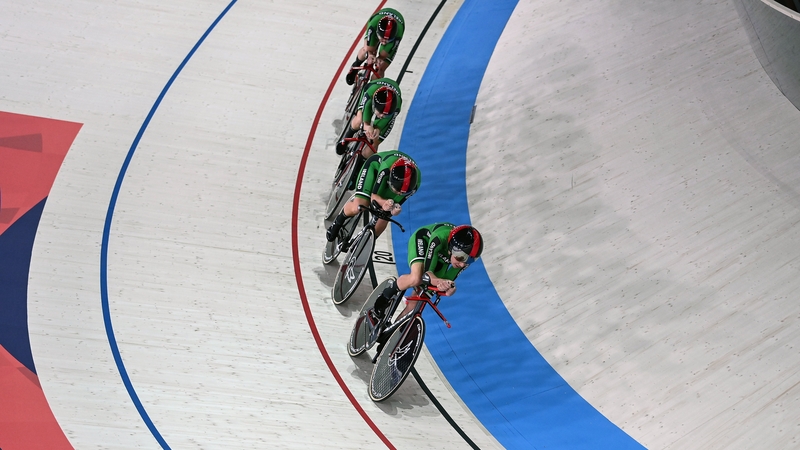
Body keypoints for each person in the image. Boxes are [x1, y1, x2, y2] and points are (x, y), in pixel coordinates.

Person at [367, 223, 484, 326]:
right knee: (417, 278)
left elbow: (448, 280)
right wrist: (438, 282)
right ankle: (383, 298)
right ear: (453, 248)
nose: (463, 264)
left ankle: (392, 335)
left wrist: (449, 288)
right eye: (461, 258)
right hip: (424, 241)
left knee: (418, 302)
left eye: (469, 260)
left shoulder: (462, 261)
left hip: (441, 258)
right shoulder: (440, 237)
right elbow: (427, 274)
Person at [326, 150, 421, 244]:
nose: (398, 193)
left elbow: (396, 205)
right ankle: (337, 222)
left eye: (401, 192)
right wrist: (383, 203)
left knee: (385, 216)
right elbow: (374, 197)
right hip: (374, 168)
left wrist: (394, 210)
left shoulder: (414, 186)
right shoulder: (386, 169)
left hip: (396, 182)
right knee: (360, 205)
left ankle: (366, 243)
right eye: (396, 190)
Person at [336, 78, 402, 157]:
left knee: (375, 142)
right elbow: (365, 120)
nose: (381, 116)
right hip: (372, 88)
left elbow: (385, 124)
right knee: (359, 120)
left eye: (385, 114)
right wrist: (366, 126)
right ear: (374, 105)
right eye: (380, 113)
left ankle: (360, 163)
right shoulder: (370, 93)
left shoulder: (396, 107)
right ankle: (347, 137)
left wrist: (377, 130)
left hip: (391, 103)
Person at [346, 8, 405, 84]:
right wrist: (369, 54)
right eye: (381, 39)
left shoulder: (398, 34)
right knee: (367, 50)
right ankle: (356, 64)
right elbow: (367, 49)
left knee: (381, 67)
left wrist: (380, 59)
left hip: (396, 31)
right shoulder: (373, 25)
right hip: (376, 20)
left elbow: (384, 56)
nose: (383, 42)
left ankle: (372, 85)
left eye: (387, 40)